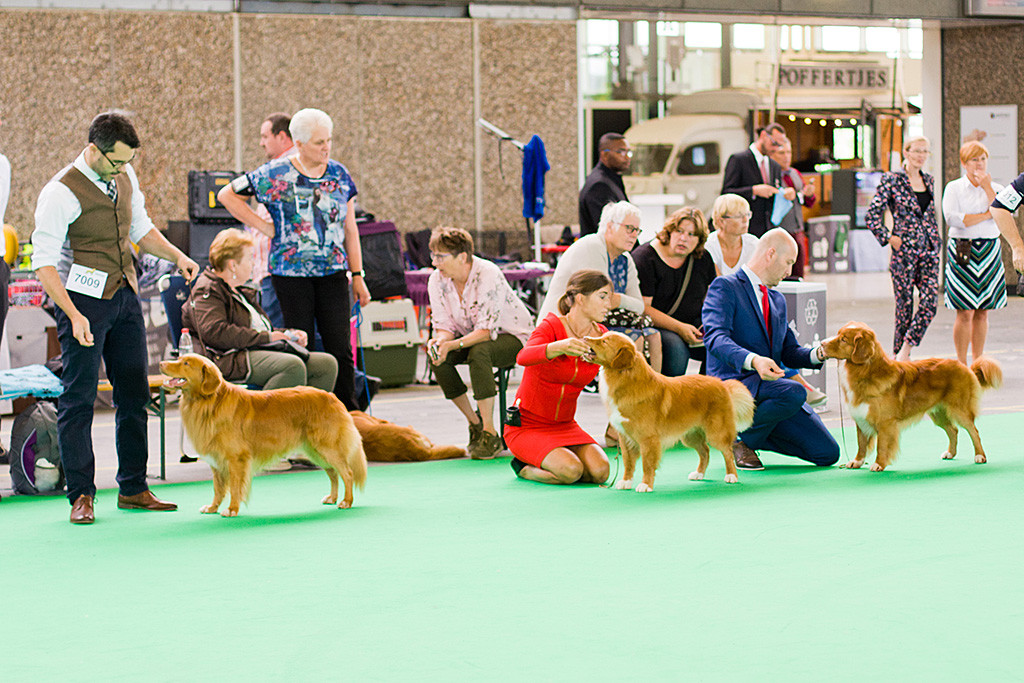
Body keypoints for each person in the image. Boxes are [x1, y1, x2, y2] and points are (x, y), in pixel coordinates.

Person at [31, 111, 200, 524]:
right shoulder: (60, 192)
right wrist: (71, 314)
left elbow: (140, 229)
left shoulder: (124, 176)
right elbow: (44, 264)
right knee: (79, 398)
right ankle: (81, 495)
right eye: (115, 161)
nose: (122, 169)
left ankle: (134, 487)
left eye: (127, 162)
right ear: (93, 149)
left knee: (134, 393)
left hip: (124, 294)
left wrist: (176, 255)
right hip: (81, 303)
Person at [218, 107, 369, 410]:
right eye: (318, 142)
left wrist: (358, 275)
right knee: (301, 349)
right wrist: (263, 227)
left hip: (333, 272)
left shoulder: (339, 174)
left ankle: (349, 416)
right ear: (298, 144)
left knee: (340, 349)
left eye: (329, 140)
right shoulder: (276, 172)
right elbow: (227, 195)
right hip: (290, 275)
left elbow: (350, 228)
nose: (326, 148)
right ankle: (303, 420)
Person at [702, 228, 838, 471]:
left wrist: (820, 353)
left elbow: (789, 352)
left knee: (828, 453)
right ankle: (736, 437)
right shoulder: (725, 286)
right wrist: (754, 361)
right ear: (770, 254)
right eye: (788, 263)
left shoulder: (777, 299)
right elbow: (715, 338)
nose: (789, 272)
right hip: (735, 383)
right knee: (795, 392)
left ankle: (748, 438)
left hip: (772, 391)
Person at [182, 228, 338, 392]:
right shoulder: (207, 290)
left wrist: (287, 334)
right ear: (232, 265)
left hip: (254, 350)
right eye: (250, 258)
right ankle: (262, 417)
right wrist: (268, 337)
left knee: (326, 365)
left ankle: (308, 417)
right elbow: (215, 332)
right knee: (291, 366)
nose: (253, 264)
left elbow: (260, 330)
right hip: (227, 357)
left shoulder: (239, 291)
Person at [426, 227, 534, 460]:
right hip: (468, 338)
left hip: (512, 337)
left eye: (440, 257)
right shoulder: (437, 280)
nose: (435, 263)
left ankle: (489, 432)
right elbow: (444, 326)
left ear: (462, 257)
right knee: (436, 355)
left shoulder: (488, 273)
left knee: (479, 352)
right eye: (433, 256)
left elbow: (485, 331)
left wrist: (453, 345)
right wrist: (440, 342)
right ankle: (474, 422)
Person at [506, 270, 611, 485]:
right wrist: (557, 347)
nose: (608, 303)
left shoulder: (601, 335)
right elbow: (522, 356)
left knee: (601, 471)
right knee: (571, 471)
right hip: (528, 425)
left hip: (566, 425)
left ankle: (557, 459)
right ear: (580, 299)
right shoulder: (552, 326)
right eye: (602, 296)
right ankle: (525, 468)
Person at [865, 136, 940, 361]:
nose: (921, 155)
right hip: (904, 253)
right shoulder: (892, 179)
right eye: (917, 151)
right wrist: (889, 237)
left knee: (930, 304)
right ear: (906, 152)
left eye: (925, 151)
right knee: (904, 308)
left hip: (929, 251)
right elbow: (872, 215)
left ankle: (906, 347)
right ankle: (899, 357)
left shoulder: (930, 180)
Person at [940, 141, 1008, 365]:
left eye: (983, 159)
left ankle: (978, 359)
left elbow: (1002, 213)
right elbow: (953, 219)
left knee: (983, 311)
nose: (979, 164)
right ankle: (961, 363)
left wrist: (988, 189)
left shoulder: (996, 188)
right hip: (963, 249)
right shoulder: (954, 187)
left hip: (989, 250)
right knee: (965, 310)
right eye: (974, 160)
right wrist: (986, 215)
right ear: (964, 163)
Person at [632, 206, 716, 376]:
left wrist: (707, 324)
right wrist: (679, 328)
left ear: (699, 239)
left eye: (692, 234)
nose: (684, 238)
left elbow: (712, 296)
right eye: (679, 231)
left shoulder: (702, 258)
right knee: (677, 351)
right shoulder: (646, 258)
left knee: (720, 346)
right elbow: (643, 308)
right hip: (657, 325)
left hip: (693, 325)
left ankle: (705, 392)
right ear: (669, 231)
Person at [247, 112, 295, 328]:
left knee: (281, 336)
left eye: (265, 137)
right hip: (272, 271)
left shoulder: (285, 168)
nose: (261, 143)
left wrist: (266, 228)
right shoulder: (279, 168)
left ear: (282, 137)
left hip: (277, 269)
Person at [721, 123, 796, 238]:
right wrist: (753, 191)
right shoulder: (739, 160)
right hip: (745, 229)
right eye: (774, 143)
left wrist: (785, 194)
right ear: (763, 135)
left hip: (768, 230)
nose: (775, 149)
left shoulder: (774, 165)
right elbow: (726, 193)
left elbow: (775, 195)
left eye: (779, 146)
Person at [770, 137, 816, 280]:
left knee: (798, 271)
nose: (786, 157)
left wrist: (809, 193)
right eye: (782, 153)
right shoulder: (770, 175)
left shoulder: (795, 173)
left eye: (789, 153)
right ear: (772, 155)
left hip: (798, 230)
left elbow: (808, 202)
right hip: (779, 230)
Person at [578, 132, 630, 236]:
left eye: (629, 153)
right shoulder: (599, 185)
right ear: (605, 155)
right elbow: (608, 230)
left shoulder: (610, 180)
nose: (627, 158)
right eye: (621, 152)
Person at [705, 194, 760, 276]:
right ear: (721, 221)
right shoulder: (709, 245)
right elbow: (717, 284)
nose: (746, 220)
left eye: (747, 214)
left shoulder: (753, 243)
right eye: (739, 216)